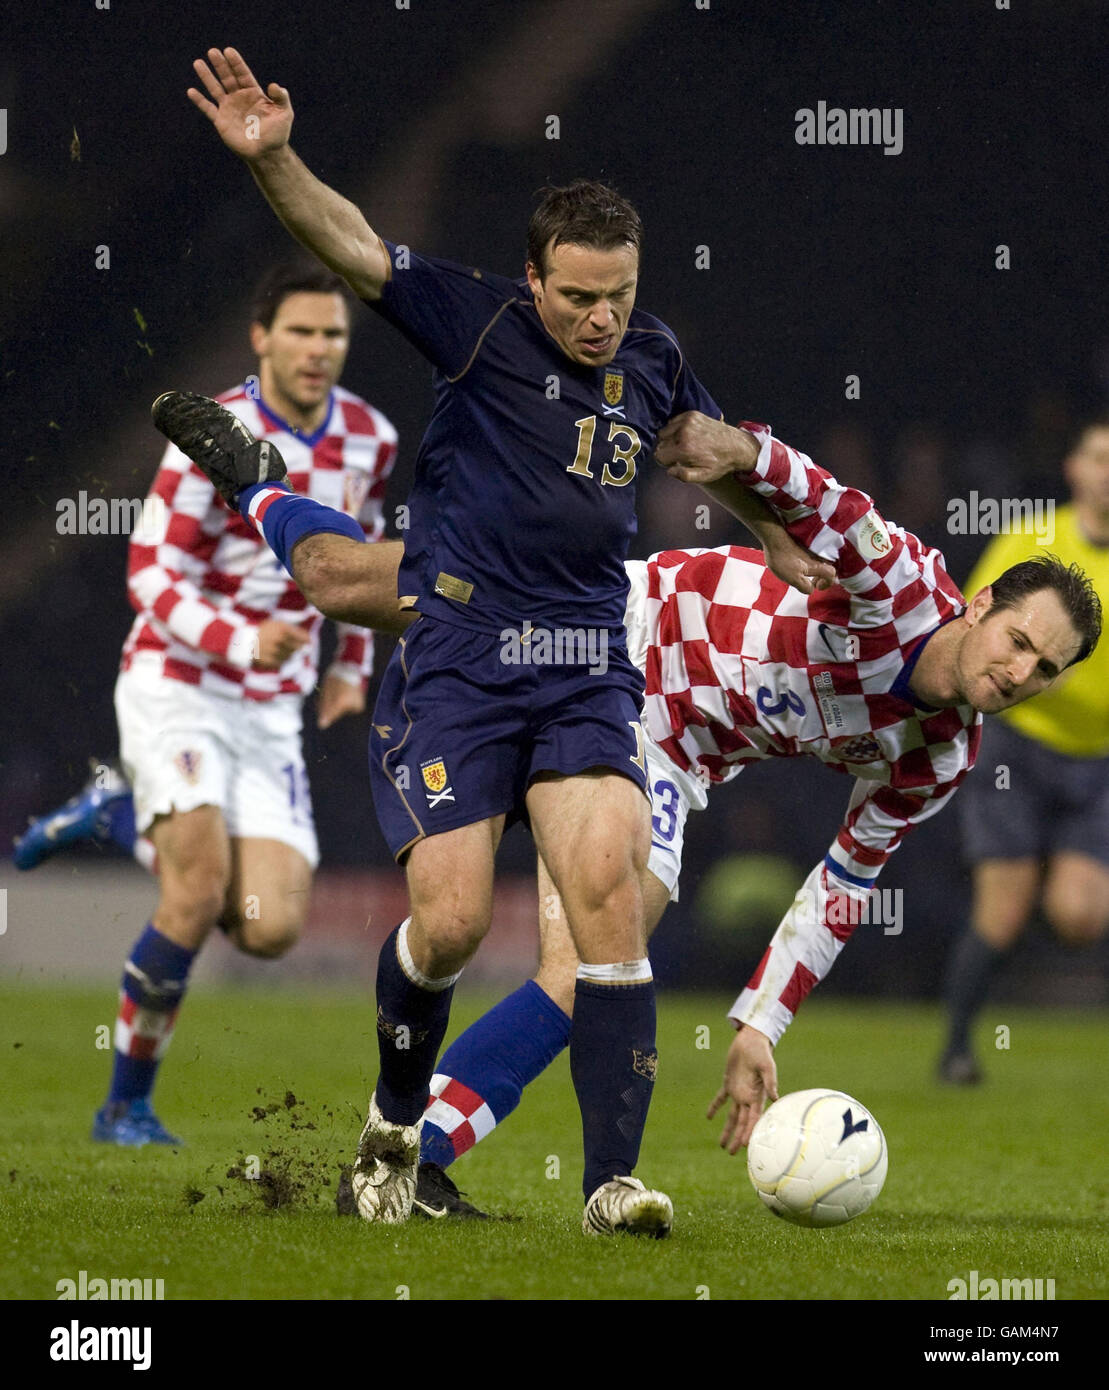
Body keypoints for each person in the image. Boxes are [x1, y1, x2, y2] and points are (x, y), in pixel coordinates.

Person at [167, 44, 831, 1237]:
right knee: (455, 914)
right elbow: (350, 238)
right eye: (576, 295)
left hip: (583, 656)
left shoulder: (650, 352)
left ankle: (608, 1185)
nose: (598, 316)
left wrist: (772, 532)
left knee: (606, 897)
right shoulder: (471, 319)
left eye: (616, 293)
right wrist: (274, 161)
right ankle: (390, 1120)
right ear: (533, 280)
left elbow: (701, 446)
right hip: (463, 645)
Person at [153, 401, 1100, 1215]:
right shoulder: (894, 586)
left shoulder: (936, 756)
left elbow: (842, 884)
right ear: (978, 606)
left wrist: (758, 1026)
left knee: (597, 968)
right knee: (342, 583)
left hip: (660, 745)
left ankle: (412, 1157)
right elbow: (822, 499)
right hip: (605, 619)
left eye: (1044, 669)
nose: (1018, 673)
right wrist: (738, 451)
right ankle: (258, 482)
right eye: (1017, 640)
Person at [18, 259, 398, 1147]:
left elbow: (361, 552)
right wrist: (235, 639)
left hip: (269, 711)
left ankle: (119, 819)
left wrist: (348, 664)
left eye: (332, 334)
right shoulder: (209, 433)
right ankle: (125, 1106)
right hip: (177, 682)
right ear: (261, 338)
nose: (317, 350)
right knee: (195, 893)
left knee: (269, 929)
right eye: (299, 332)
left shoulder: (370, 438)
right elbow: (150, 571)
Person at [938, 417, 1109, 1084]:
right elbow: (972, 618)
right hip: (1018, 745)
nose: (1107, 472)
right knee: (1000, 910)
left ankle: (1040, 881)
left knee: (1077, 916)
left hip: (1095, 759)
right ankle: (955, 1048)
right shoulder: (1034, 537)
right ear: (1072, 467)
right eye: (1097, 456)